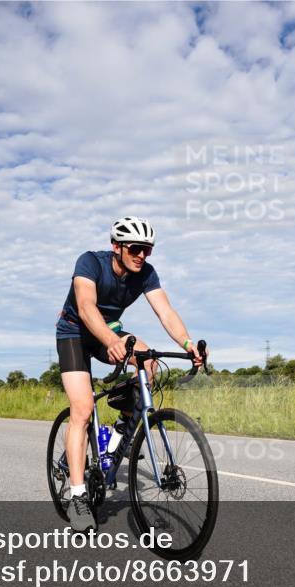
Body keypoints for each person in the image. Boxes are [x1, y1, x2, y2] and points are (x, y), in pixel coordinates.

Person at [56, 216, 202, 533]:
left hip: (109, 331)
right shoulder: (90, 262)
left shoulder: (146, 274)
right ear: (117, 247)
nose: (141, 256)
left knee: (148, 359)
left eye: (147, 250)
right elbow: (85, 306)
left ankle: (121, 428)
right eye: (136, 249)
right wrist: (111, 342)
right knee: (82, 409)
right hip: (74, 333)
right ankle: (79, 497)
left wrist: (188, 343)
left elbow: (166, 312)